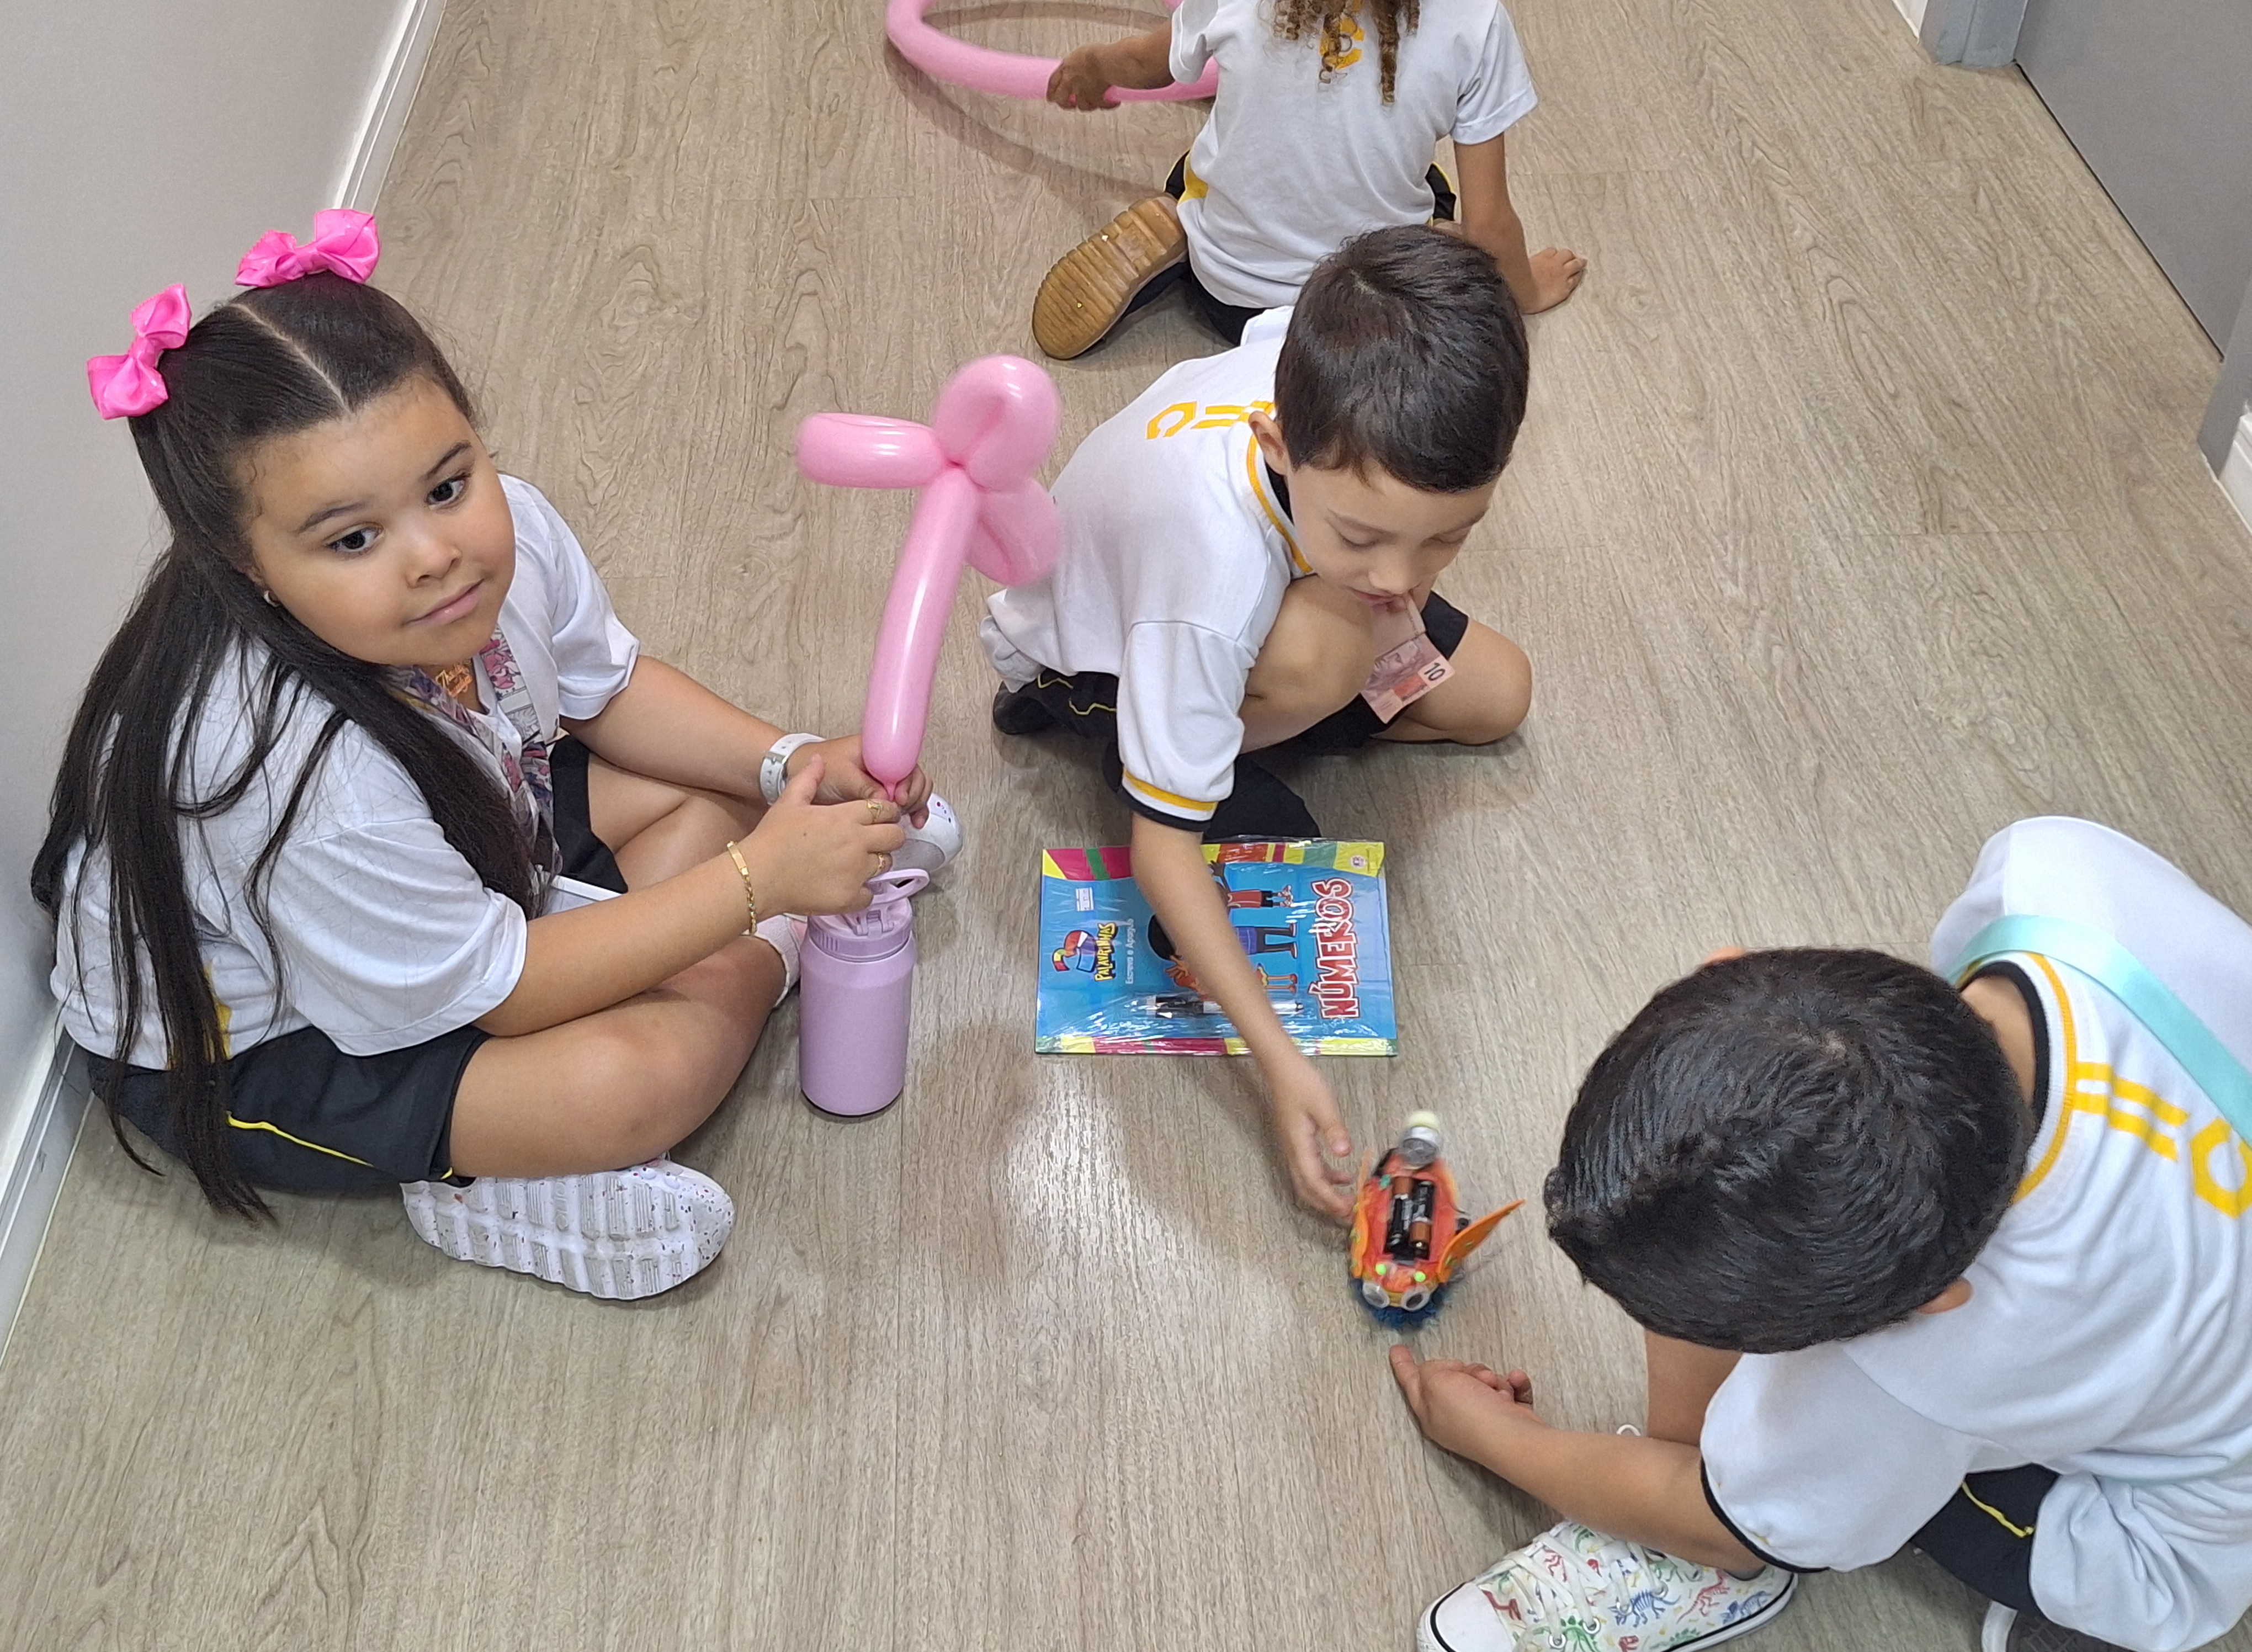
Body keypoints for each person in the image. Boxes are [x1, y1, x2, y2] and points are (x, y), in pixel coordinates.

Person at [39, 211, 948, 1300]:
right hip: (253, 1046)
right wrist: (768, 890)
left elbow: (611, 691)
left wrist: (785, 764)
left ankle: (691, 968)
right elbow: (501, 991)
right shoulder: (300, 775)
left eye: (447, 483)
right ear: (248, 564)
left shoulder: (502, 538)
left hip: (448, 845)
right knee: (641, 1078)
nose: (438, 557)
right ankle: (489, 1168)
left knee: (705, 801)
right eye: (353, 540)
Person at [1390, 816, 2252, 1652]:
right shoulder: (2056, 874)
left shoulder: (1949, 1362)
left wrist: (1497, 1435)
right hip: (2195, 1269)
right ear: (1726, 969)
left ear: (1935, 1302)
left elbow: (1724, 1522)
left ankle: (2107, 1605)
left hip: (2165, 1528)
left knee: (1836, 1478)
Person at [986, 225, 1535, 1217]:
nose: (1403, 578)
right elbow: (1163, 859)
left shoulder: (1315, 347)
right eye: (1366, 535)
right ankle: (1165, 750)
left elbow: (1386, 574)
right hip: (1091, 659)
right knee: (1320, 674)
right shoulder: (1209, 580)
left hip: (1259, 596)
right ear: (1279, 444)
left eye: (1450, 536)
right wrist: (1283, 1069)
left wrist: (1362, 570)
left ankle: (1270, 700)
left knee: (1498, 695)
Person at [1031, 0, 1584, 359]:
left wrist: (1094, 66)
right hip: (1358, 311)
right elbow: (1490, 225)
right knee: (1434, 190)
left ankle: (1190, 233)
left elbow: (1144, 62)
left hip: (1232, 298)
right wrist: (1526, 294)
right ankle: (1430, 240)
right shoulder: (1476, 19)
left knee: (1195, 169)